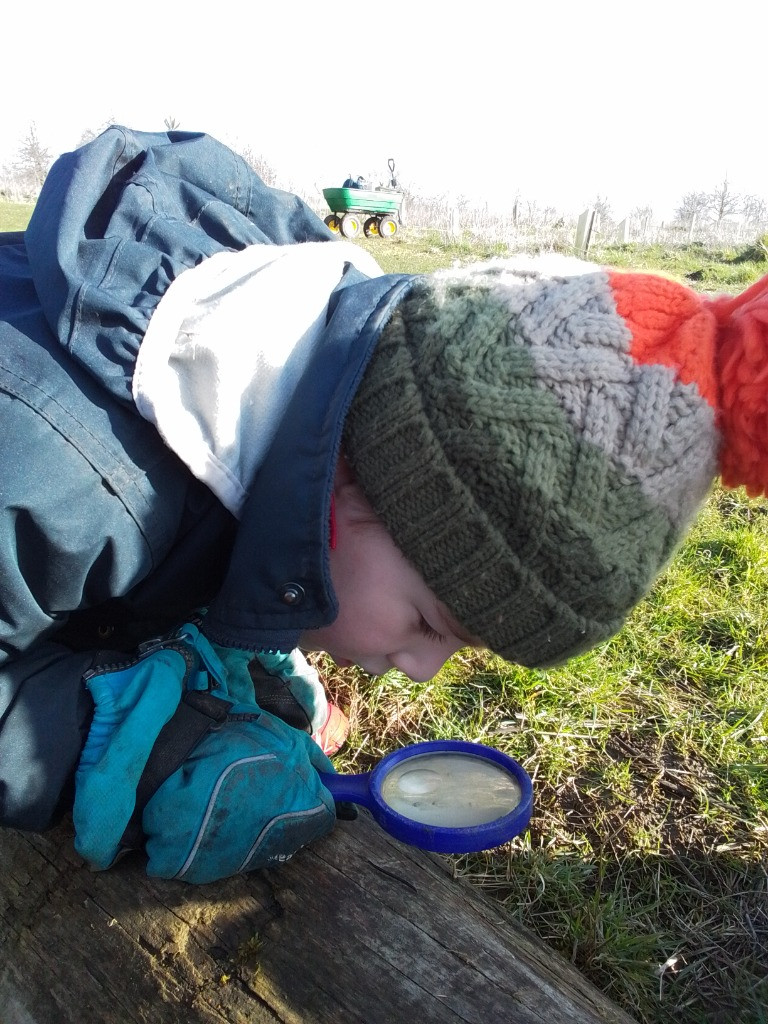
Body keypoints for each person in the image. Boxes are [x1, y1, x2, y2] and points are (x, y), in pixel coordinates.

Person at [1, 127, 766, 884]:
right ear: (348, 482)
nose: (425, 672)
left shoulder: (281, 392)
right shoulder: (63, 487)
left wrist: (228, 622)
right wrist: (94, 732)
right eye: (430, 624)